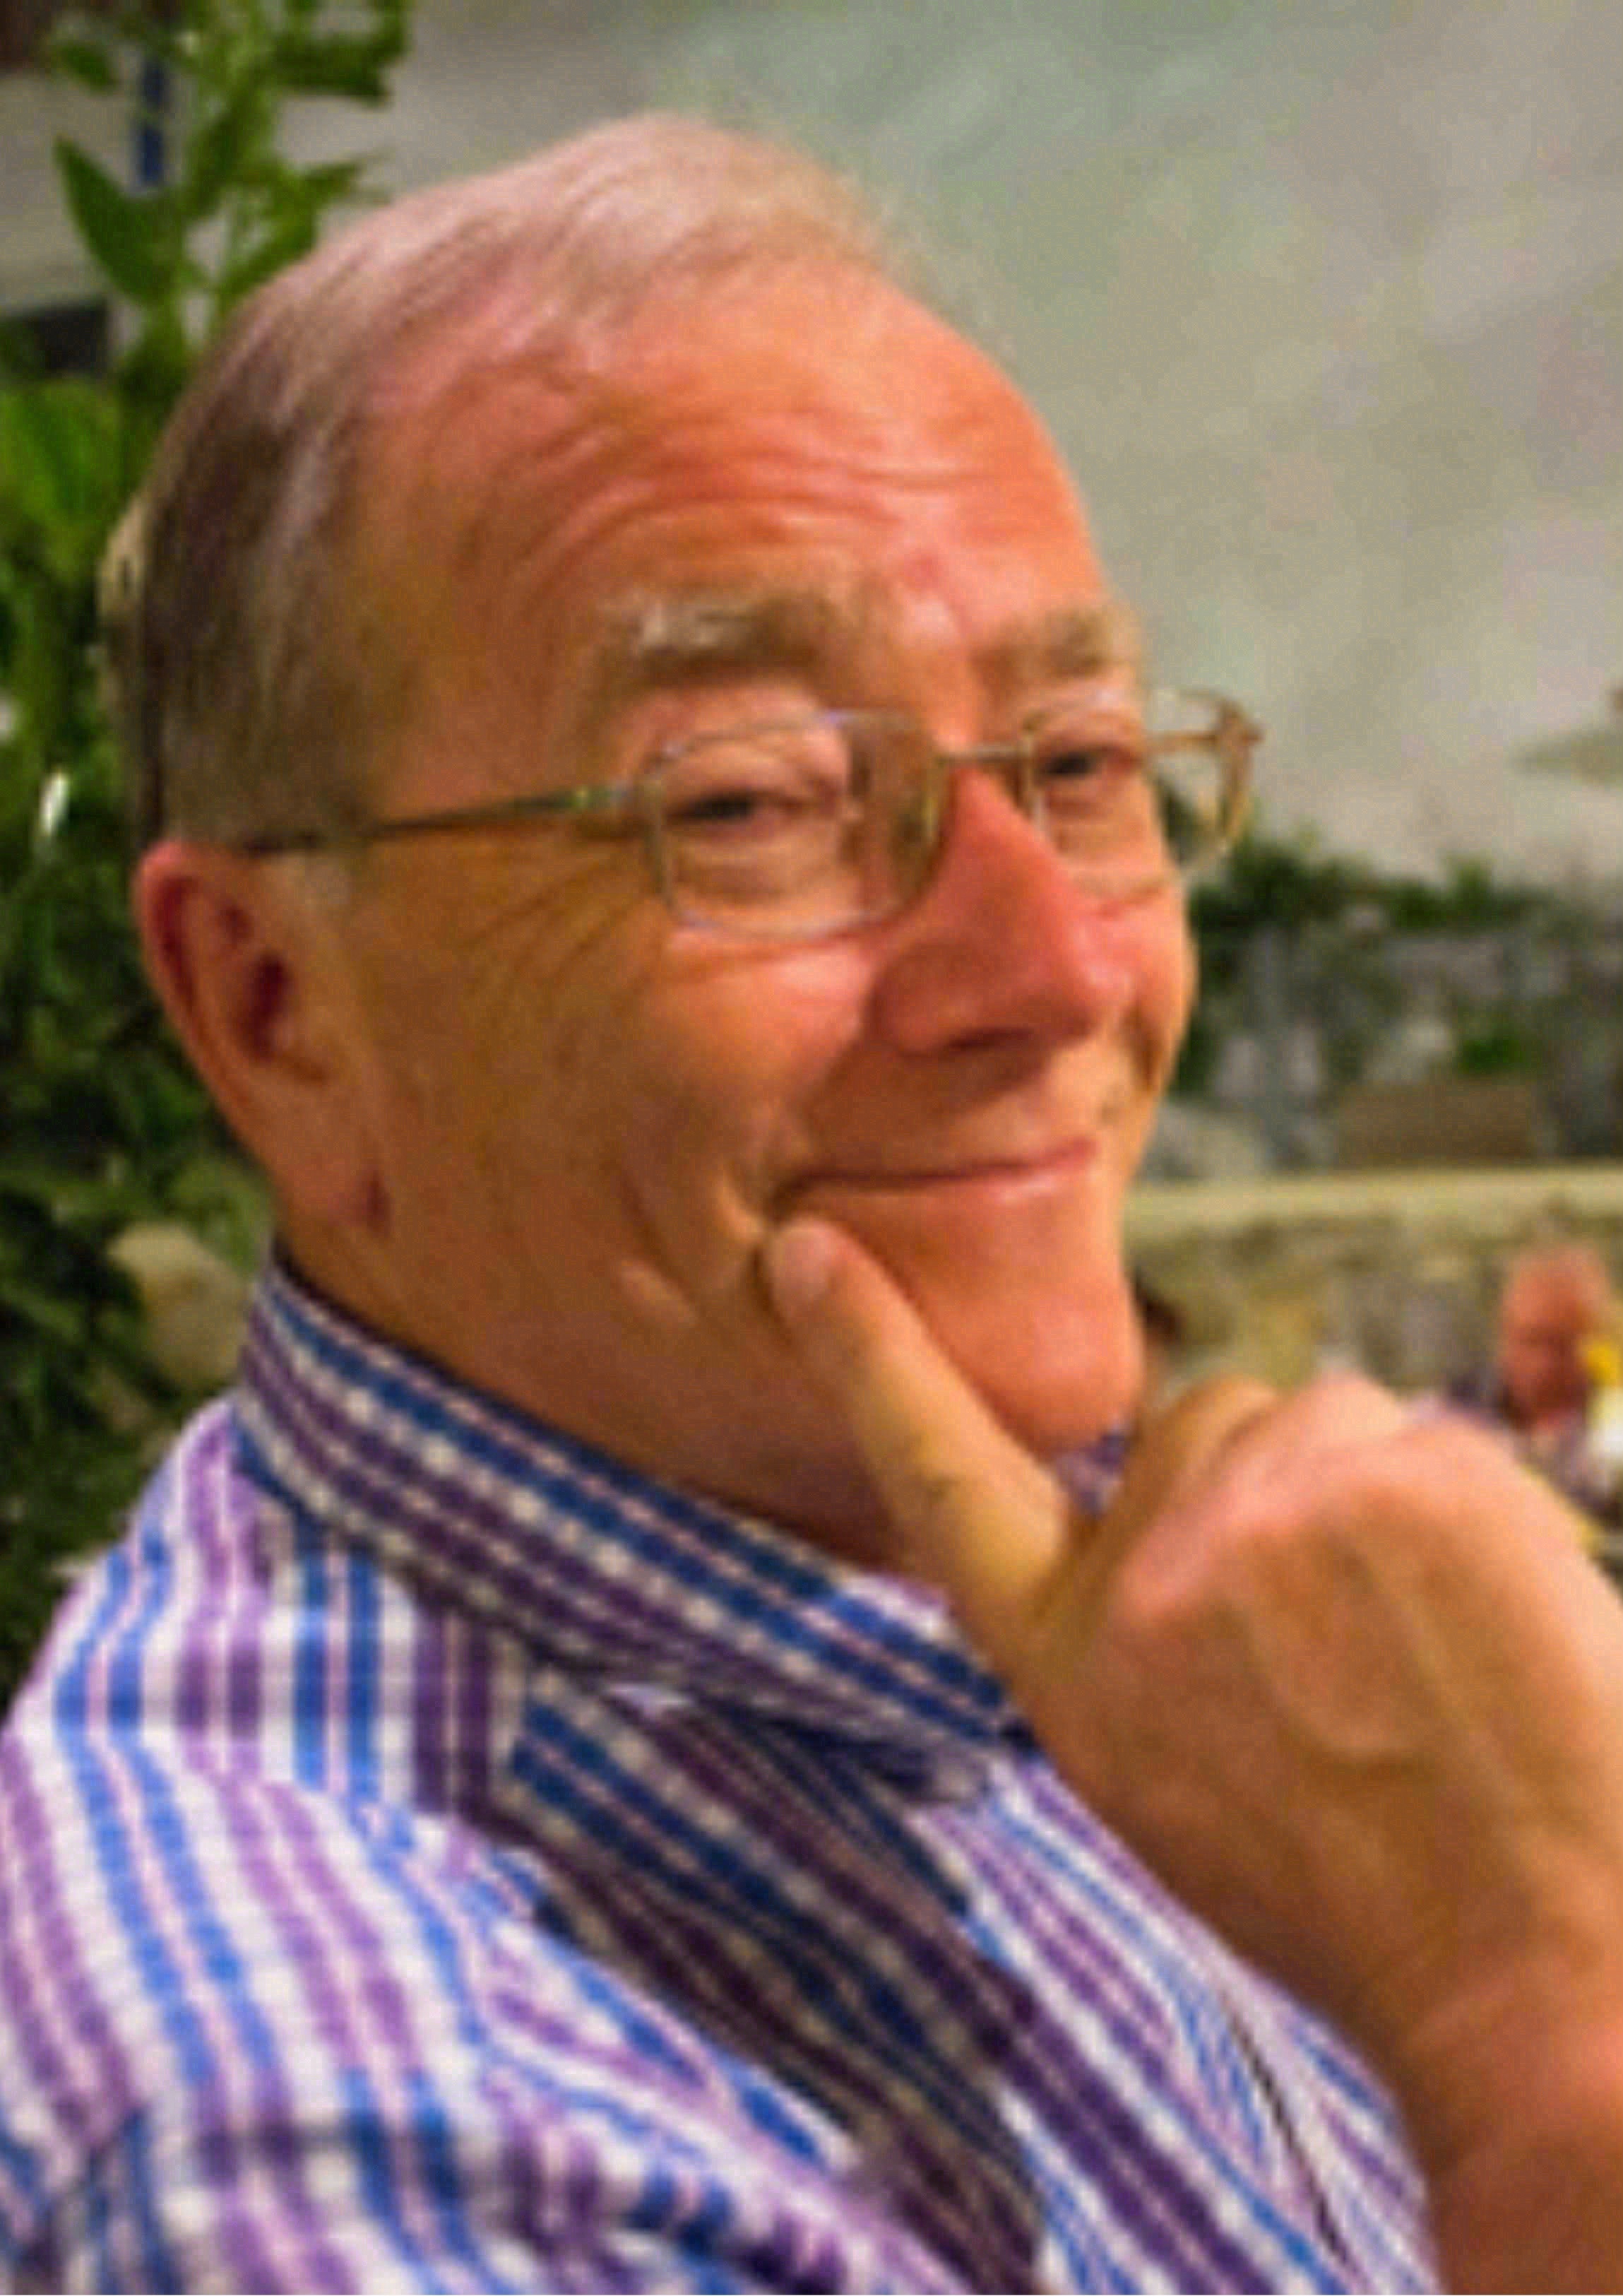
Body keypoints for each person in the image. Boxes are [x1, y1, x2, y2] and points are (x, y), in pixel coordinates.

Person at [4, 114, 1623, 2292]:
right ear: (279, 1010)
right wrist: (1541, 2023)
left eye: (1078, 765)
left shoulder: (985, 1553)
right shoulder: (325, 2129)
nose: (1054, 972)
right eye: (749, 803)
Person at [1448, 1241, 1623, 1545]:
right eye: (1532, 1340)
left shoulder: (1613, 1426)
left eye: (1563, 1344)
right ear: (1504, 1333)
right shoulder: (1445, 1422)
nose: (1545, 1363)